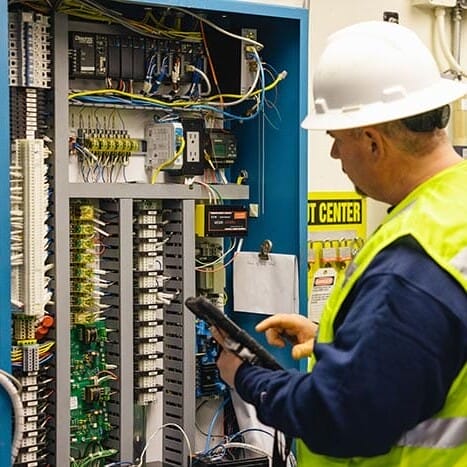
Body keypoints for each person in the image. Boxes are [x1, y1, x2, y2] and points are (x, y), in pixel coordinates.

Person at [213, 21, 467, 466]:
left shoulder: (415, 257)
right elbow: (426, 353)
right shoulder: (453, 213)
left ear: (372, 142)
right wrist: (349, 342)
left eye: (336, 140)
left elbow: (342, 418)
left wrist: (247, 377)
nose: (335, 157)